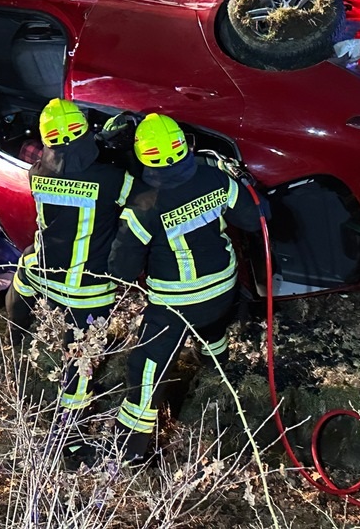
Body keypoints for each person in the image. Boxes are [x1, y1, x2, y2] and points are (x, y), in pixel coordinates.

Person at [108, 113, 261, 464]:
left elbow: (122, 269)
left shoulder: (143, 205)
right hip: (223, 288)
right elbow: (253, 219)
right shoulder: (216, 178)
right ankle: (218, 371)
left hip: (175, 303)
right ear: (185, 146)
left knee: (146, 366)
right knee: (212, 329)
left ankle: (130, 449)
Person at [7, 98, 132, 423]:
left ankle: (14, 339)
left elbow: (69, 165)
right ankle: (72, 429)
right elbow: (140, 186)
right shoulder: (113, 180)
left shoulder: (38, 172)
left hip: (44, 273)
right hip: (87, 288)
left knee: (19, 282)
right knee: (81, 355)